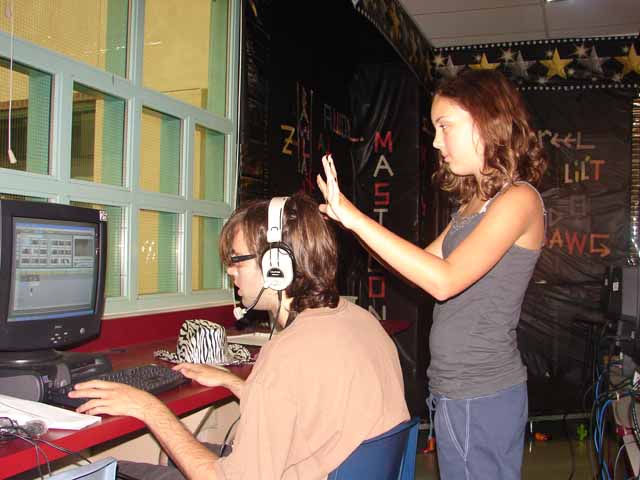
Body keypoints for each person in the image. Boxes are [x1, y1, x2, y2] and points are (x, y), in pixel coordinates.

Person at [69, 193, 409, 480]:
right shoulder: (362, 322)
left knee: (112, 471)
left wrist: (148, 408)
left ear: (277, 265)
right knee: (174, 455)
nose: (230, 271)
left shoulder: (287, 353)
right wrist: (237, 384)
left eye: (237, 260)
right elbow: (303, 407)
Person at [316, 69, 547, 479]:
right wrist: (349, 224)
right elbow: (419, 268)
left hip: (481, 391)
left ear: (485, 121)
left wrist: (354, 218)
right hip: (454, 389)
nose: (437, 142)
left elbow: (444, 280)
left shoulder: (519, 199)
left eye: (445, 126)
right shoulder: (473, 205)